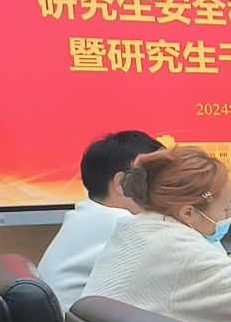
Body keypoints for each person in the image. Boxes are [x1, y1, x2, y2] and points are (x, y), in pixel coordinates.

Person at [83, 145, 231, 322]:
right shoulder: (178, 250)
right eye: (225, 209)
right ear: (188, 213)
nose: (229, 216)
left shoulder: (134, 229)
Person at [37, 130, 161, 310]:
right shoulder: (124, 224)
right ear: (122, 184)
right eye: (161, 179)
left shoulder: (85, 216)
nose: (169, 190)